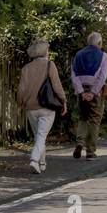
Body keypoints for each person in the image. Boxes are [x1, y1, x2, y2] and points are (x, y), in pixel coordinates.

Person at [17, 40, 67, 174]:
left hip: (31, 108)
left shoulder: (25, 69)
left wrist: (21, 103)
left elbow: (21, 90)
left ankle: (42, 162)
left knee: (39, 135)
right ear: (45, 51)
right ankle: (34, 160)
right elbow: (57, 87)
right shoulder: (50, 65)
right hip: (47, 107)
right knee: (41, 135)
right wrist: (63, 101)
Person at [71, 31, 107, 160]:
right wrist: (93, 92)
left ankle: (79, 143)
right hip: (96, 91)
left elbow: (74, 75)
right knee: (94, 120)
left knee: (83, 117)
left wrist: (81, 92)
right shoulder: (103, 56)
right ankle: (90, 151)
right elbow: (102, 76)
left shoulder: (78, 54)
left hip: (81, 90)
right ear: (99, 43)